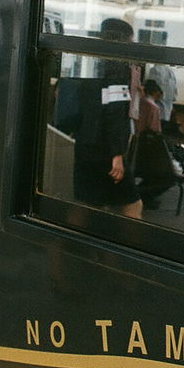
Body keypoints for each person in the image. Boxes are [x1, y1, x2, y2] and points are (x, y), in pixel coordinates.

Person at [71, 18, 142, 218]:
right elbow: (115, 110)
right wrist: (117, 154)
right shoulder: (118, 67)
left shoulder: (90, 62)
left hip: (86, 142)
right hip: (105, 150)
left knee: (86, 203)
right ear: (123, 40)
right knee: (133, 205)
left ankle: (59, 239)